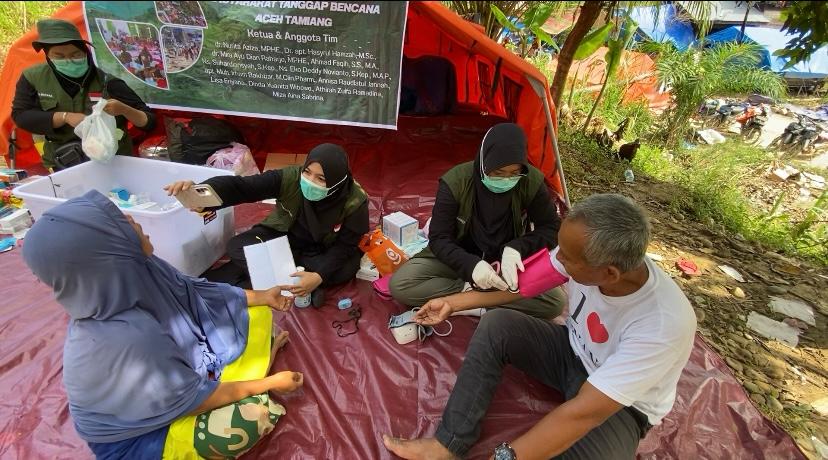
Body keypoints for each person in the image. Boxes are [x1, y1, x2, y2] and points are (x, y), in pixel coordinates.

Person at [383, 194, 697, 460]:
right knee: (498, 324)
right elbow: (523, 285)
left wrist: (505, 456)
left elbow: (583, 412)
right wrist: (454, 303)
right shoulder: (586, 258)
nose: (559, 258)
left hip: (623, 407)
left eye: (569, 258)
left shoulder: (663, 324)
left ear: (610, 274)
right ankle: (447, 444)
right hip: (570, 351)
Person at [22, 190, 305, 459]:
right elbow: (196, 402)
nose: (133, 220)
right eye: (121, 223)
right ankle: (249, 376)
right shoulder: (126, 335)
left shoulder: (139, 270)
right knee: (253, 417)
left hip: (170, 382)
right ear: (102, 252)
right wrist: (268, 382)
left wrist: (263, 296)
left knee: (256, 313)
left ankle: (235, 371)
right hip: (140, 440)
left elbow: (196, 292)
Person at [390, 122, 565, 320]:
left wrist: (517, 248)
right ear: (484, 162)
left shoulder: (530, 181)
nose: (506, 180)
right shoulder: (456, 182)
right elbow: (439, 238)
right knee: (402, 284)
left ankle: (469, 302)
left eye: (514, 173)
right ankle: (475, 297)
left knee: (554, 302)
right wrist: (471, 266)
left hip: (506, 264)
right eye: (498, 173)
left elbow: (551, 228)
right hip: (458, 257)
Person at [165, 143, 369, 305]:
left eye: (321, 178)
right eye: (307, 172)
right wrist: (204, 193)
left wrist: (318, 276)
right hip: (285, 237)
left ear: (336, 181)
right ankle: (298, 284)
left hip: (323, 250)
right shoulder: (291, 178)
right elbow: (244, 187)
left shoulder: (354, 201)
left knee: (345, 268)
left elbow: (345, 245)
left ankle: (294, 280)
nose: (309, 181)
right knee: (237, 246)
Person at [11, 19, 155, 171]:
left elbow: (150, 122)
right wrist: (65, 117)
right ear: (48, 56)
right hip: (63, 163)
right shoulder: (33, 78)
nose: (69, 61)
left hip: (112, 163)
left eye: (75, 54)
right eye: (59, 56)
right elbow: (21, 116)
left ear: (85, 53)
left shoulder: (108, 82)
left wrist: (125, 110)